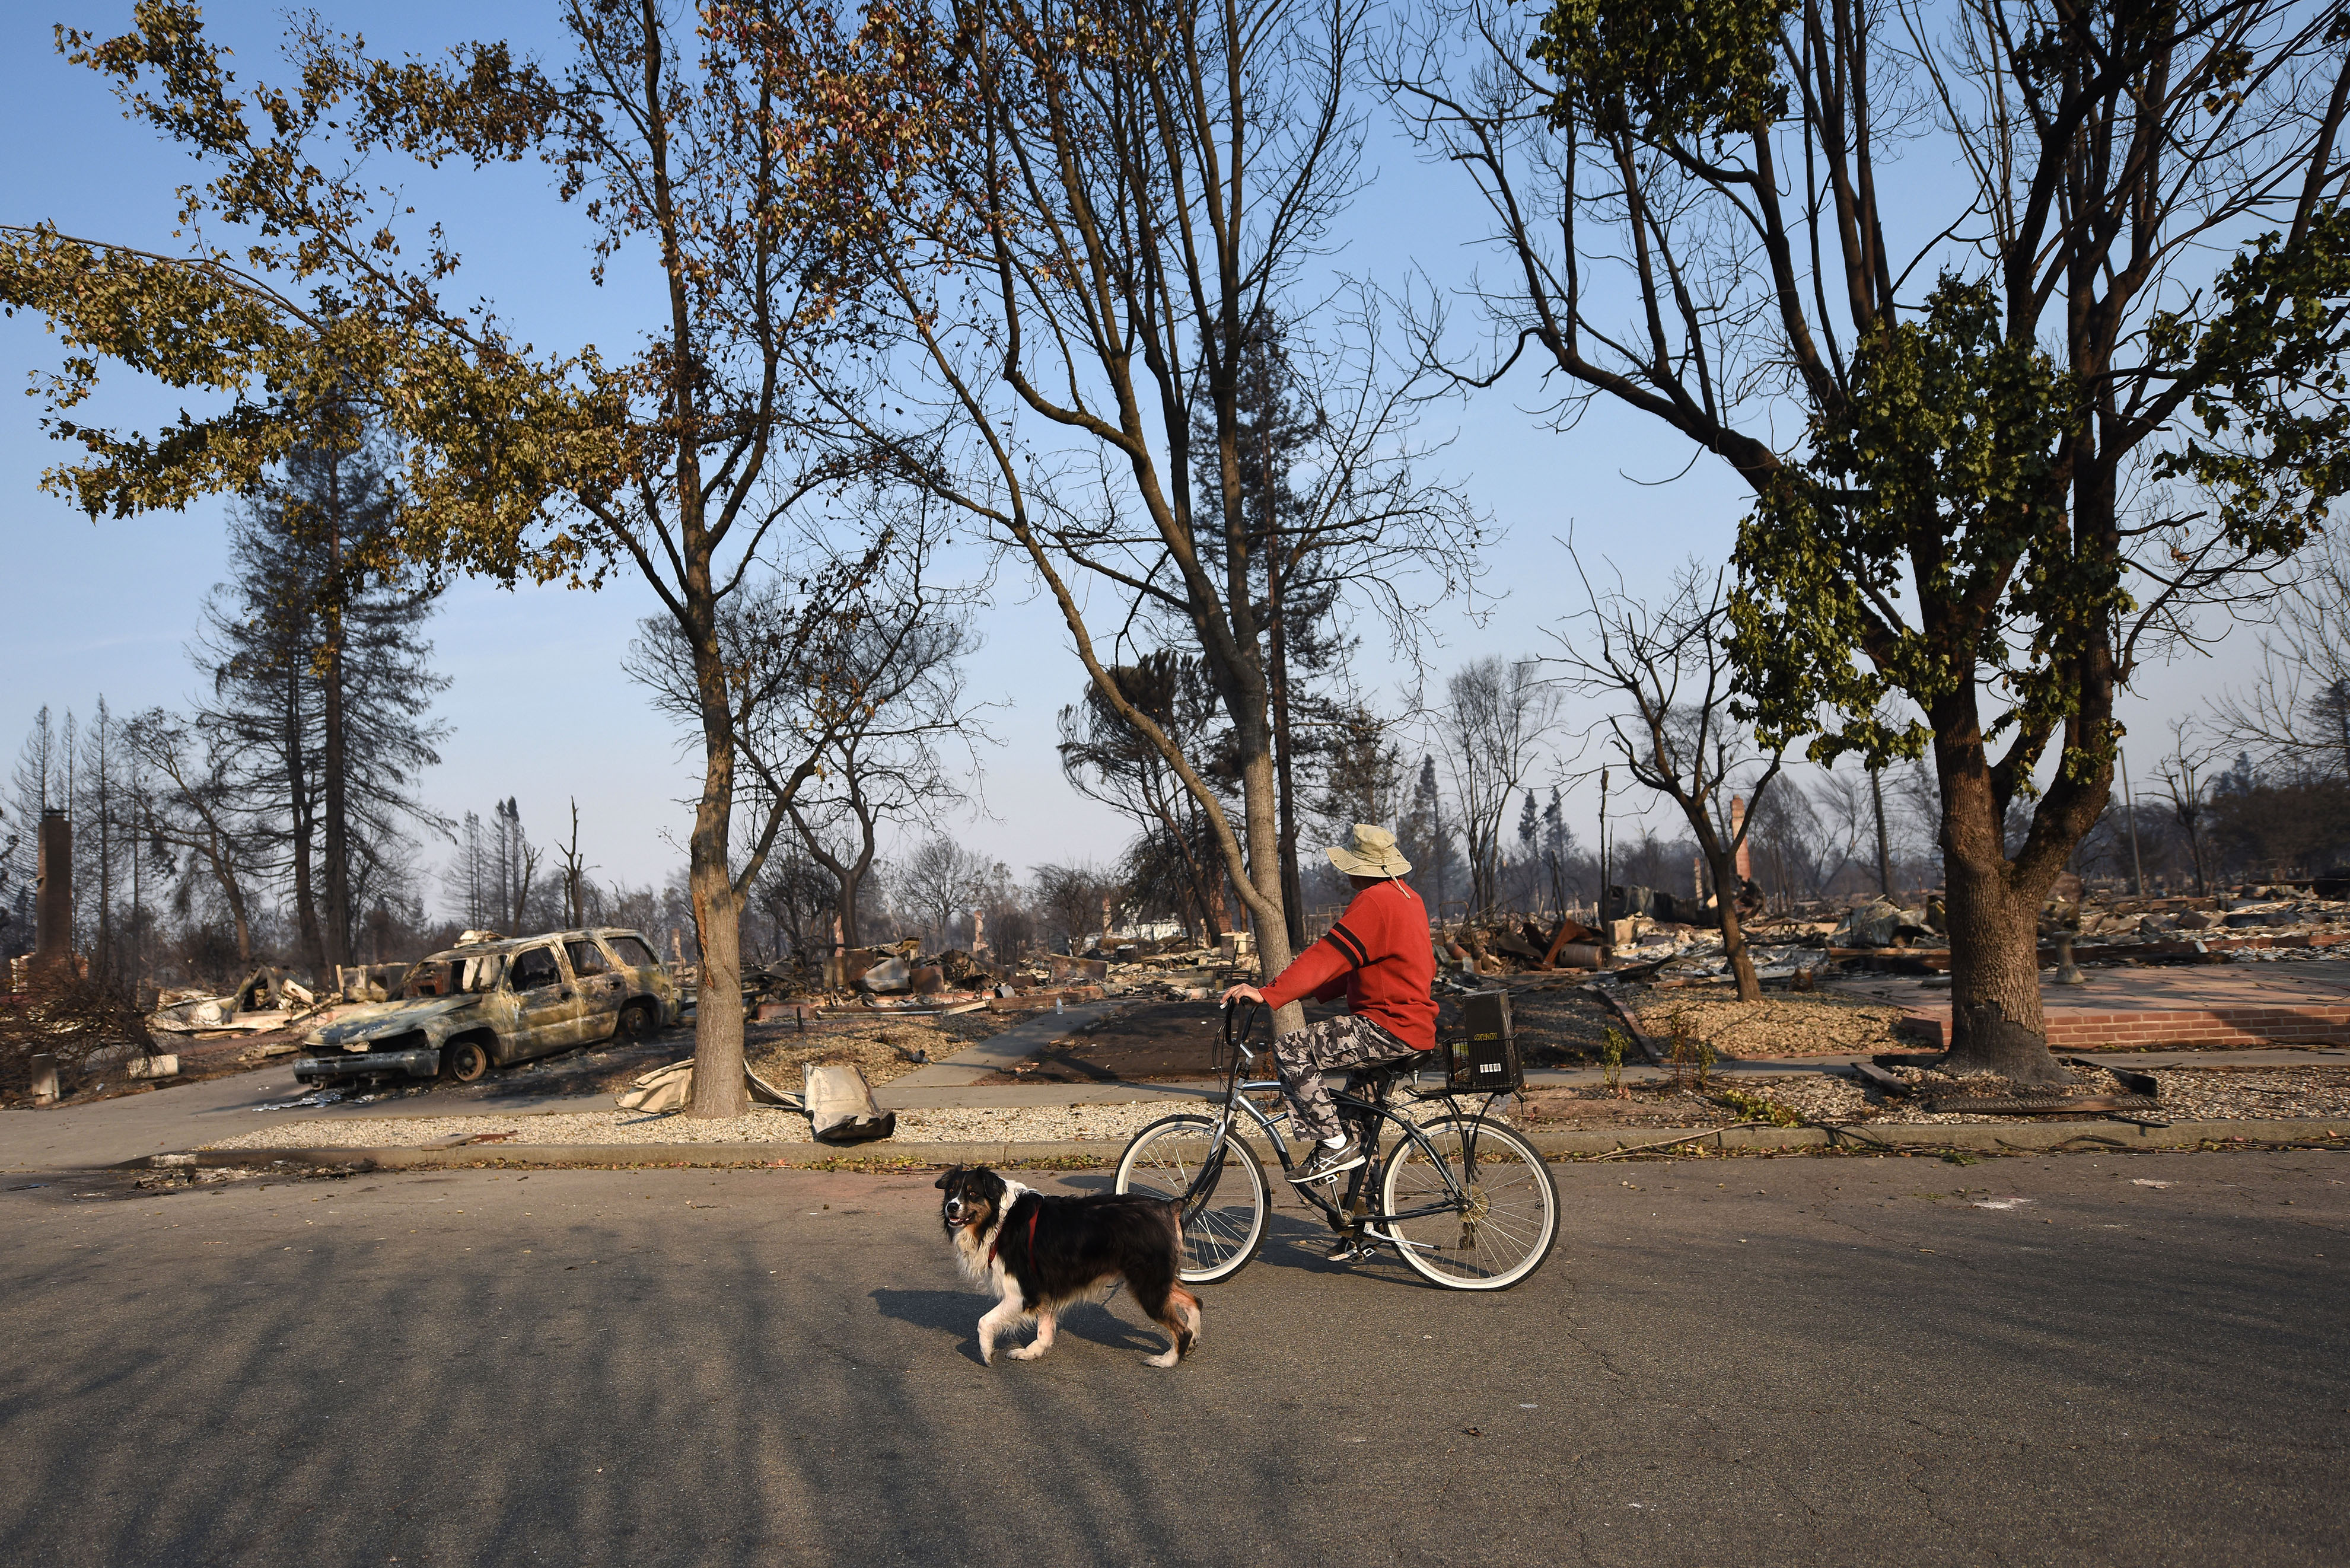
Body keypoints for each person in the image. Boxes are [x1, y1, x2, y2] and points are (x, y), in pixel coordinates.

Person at [1221, 824, 1437, 1185]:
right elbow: (1356, 964)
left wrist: (1269, 993)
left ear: (1358, 868)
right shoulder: (1408, 898)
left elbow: (1328, 955)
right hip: (1412, 1025)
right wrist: (1300, 991)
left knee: (1291, 1049)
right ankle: (1365, 1226)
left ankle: (1332, 1145)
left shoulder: (1375, 901)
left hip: (1388, 1025)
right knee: (1357, 1125)